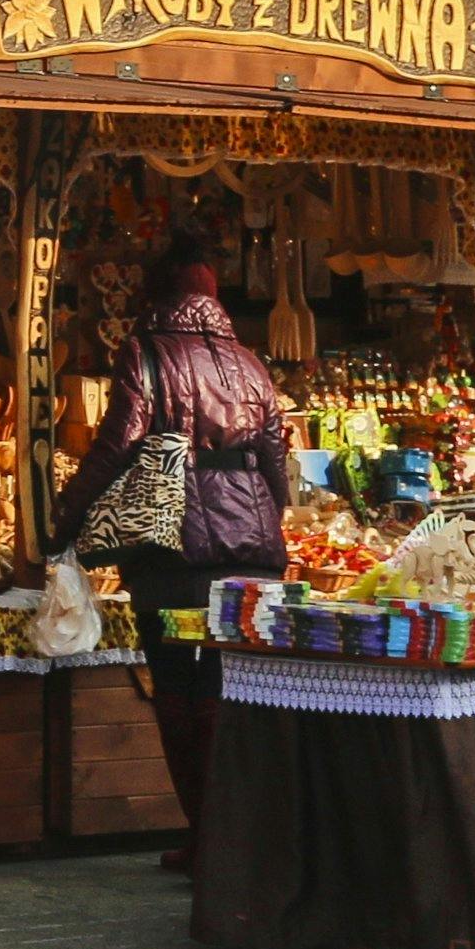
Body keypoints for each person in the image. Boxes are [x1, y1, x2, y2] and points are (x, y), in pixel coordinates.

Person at [56, 249, 289, 868]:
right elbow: (276, 460)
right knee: (232, 686)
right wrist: (269, 520)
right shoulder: (250, 363)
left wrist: (67, 515)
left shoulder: (149, 351)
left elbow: (117, 444)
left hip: (175, 549)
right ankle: (237, 837)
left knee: (180, 689)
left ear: (154, 296)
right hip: (255, 550)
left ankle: (208, 837)